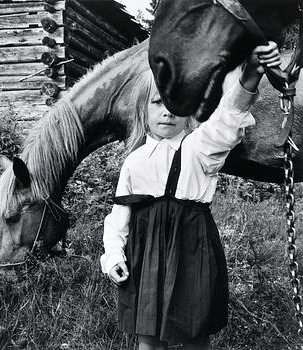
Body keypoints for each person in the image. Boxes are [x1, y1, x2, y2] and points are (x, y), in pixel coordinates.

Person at [101, 42, 281, 350]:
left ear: (190, 114)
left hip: (191, 248)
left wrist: (251, 73)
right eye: (159, 103)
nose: (168, 113)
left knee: (193, 331)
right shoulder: (134, 161)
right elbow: (120, 215)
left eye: (178, 106)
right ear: (144, 109)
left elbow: (228, 115)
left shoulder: (200, 148)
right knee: (148, 336)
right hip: (145, 254)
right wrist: (114, 255)